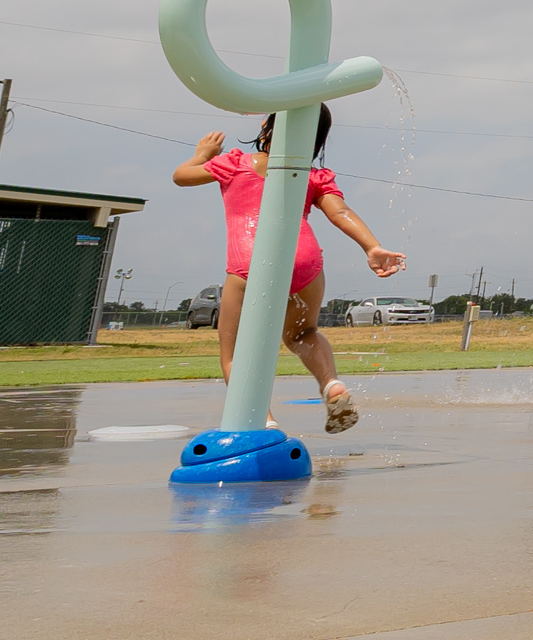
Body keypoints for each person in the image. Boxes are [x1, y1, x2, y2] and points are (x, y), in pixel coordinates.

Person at [171, 114, 403, 432]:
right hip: (303, 259)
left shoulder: (235, 163)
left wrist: (203, 154)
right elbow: (341, 212)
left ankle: (264, 423)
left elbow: (181, 176)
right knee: (302, 334)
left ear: (267, 129)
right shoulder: (313, 175)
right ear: (315, 140)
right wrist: (372, 247)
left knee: (235, 351)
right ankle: (331, 385)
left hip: (249, 262)